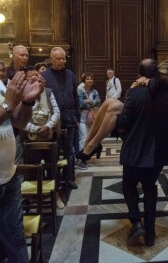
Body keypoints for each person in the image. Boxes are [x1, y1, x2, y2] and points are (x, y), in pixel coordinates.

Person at [117, 58, 168, 246]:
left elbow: (123, 121)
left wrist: (122, 129)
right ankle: (151, 233)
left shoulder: (135, 92)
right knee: (149, 186)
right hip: (159, 150)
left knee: (129, 185)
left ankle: (137, 222)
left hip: (136, 148)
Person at [0, 70, 44, 263]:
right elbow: (6, 109)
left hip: (9, 178)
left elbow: (17, 122)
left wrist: (26, 102)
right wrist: (8, 104)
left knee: (17, 242)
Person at [41, 47, 80, 190]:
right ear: (51, 59)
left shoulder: (70, 75)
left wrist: (77, 116)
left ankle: (69, 179)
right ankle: (53, 179)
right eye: (58, 58)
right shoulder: (44, 76)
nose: (62, 61)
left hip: (69, 117)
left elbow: (75, 96)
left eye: (63, 58)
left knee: (70, 151)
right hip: (52, 120)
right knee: (53, 151)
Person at [6, 45, 30, 164]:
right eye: (22, 55)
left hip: (26, 118)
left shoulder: (29, 73)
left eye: (26, 55)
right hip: (8, 120)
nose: (25, 58)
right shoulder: (5, 73)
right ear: (14, 56)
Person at [77, 72, 101, 168]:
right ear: (84, 81)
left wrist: (90, 101)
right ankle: (81, 160)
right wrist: (91, 104)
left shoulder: (95, 92)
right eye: (87, 79)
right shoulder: (80, 92)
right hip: (82, 119)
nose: (90, 80)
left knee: (90, 139)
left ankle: (85, 159)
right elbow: (80, 104)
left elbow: (98, 102)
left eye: (91, 79)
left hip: (91, 119)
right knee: (83, 139)